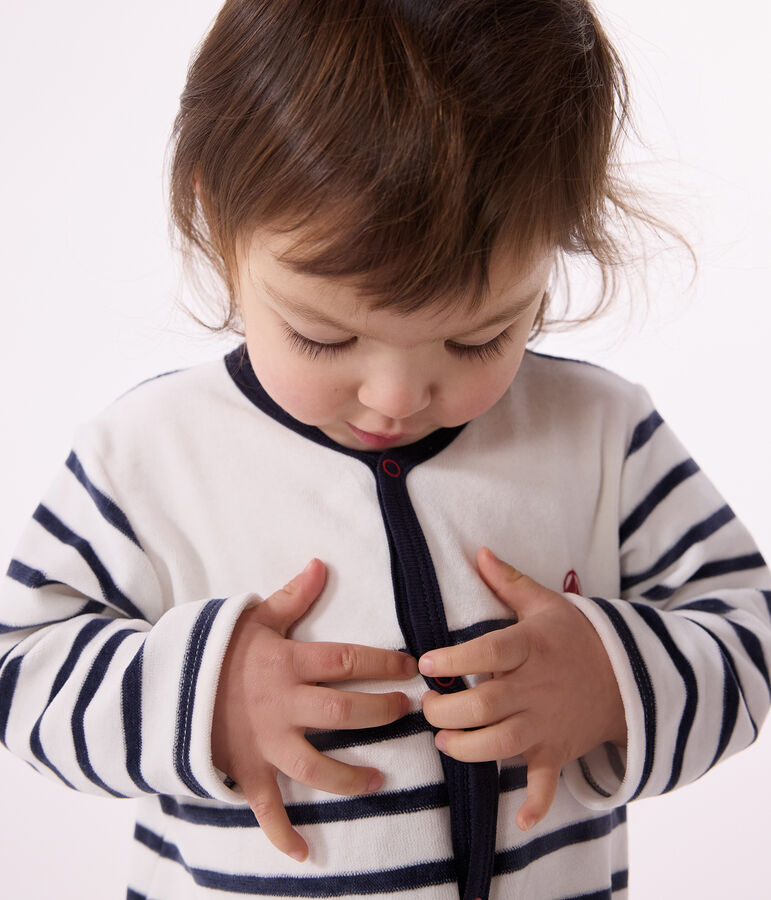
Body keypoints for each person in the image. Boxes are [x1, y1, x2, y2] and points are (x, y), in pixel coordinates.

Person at [1, 1, 769, 898]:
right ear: (218, 220)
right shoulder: (148, 454)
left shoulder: (601, 432)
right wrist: (202, 699)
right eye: (324, 339)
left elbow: (745, 629)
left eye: (479, 339)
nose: (395, 398)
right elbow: (24, 671)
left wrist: (615, 678)